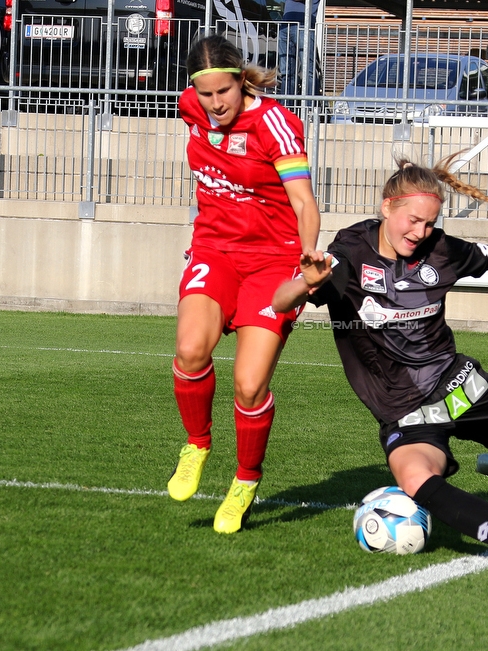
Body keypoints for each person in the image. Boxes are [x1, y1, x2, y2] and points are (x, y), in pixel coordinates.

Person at [272, 157, 488, 572]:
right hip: (404, 410)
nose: (419, 232)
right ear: (387, 206)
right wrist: (308, 282)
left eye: (429, 222)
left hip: (461, 387)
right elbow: (280, 301)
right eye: (413, 220)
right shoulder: (349, 252)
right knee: (414, 480)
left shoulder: (440, 249)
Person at [168, 34, 323, 534]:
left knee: (250, 384)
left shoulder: (275, 124)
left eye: (224, 93)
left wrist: (306, 260)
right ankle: (197, 443)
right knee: (191, 350)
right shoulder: (189, 106)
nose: (215, 104)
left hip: (272, 262)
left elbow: (303, 201)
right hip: (214, 249)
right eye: (206, 94)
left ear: (241, 80)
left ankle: (245, 480)